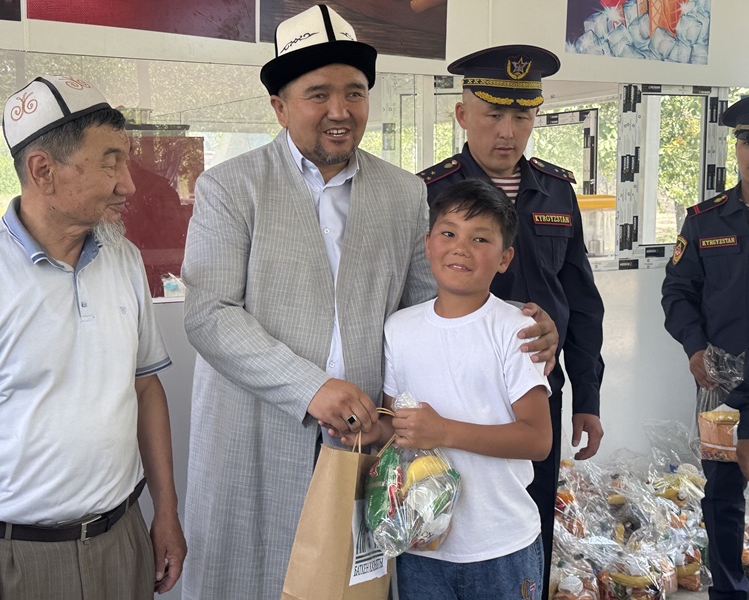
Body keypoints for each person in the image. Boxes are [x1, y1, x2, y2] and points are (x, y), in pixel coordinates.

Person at [180, 7, 558, 600]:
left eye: (354, 93)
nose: (340, 110)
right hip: (255, 436)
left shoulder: (403, 192)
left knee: (350, 584)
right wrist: (311, 387)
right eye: (318, 94)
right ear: (279, 107)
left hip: (366, 442)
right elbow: (209, 315)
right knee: (251, 581)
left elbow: (436, 309)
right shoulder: (231, 188)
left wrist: (518, 325)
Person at [0, 75, 186, 599]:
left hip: (121, 539)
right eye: (110, 163)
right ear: (43, 171)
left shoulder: (123, 258)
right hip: (12, 557)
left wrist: (166, 513)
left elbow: (146, 388)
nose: (128, 184)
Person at [417, 44, 606, 598]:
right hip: (453, 393)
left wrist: (589, 397)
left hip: (536, 388)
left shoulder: (557, 190)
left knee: (531, 518)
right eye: (494, 113)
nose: (507, 131)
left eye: (521, 116)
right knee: (444, 523)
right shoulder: (428, 192)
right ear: (462, 114)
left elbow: (582, 301)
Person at [339, 178, 552, 599]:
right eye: (449, 233)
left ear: (505, 258)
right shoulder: (399, 328)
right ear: (427, 243)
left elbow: (538, 439)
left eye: (480, 239)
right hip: (420, 540)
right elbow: (398, 429)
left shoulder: (517, 330)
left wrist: (444, 431)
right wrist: (367, 428)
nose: (461, 248)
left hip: (502, 544)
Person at [661, 96, 749, 600]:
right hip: (722, 383)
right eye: (747, 141)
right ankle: (730, 591)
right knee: (721, 495)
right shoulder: (706, 220)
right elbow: (677, 292)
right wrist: (694, 348)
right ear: (737, 148)